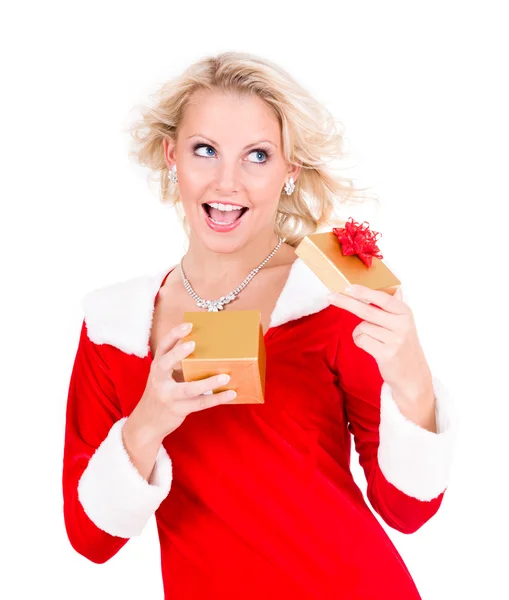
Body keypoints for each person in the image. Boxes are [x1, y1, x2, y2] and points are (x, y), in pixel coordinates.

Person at [62, 51, 457, 599]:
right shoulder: (114, 328)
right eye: (205, 150)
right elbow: (89, 538)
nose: (227, 182)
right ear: (171, 155)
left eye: (257, 156)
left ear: (289, 171)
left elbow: (409, 510)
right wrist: (147, 422)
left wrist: (411, 377)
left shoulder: (335, 295)